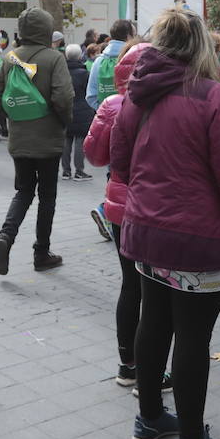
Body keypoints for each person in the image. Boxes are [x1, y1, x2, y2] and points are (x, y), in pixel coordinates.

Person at [110, 8, 220, 439]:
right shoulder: (212, 96)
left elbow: (121, 161)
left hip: (146, 230)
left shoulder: (138, 94)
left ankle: (150, 417)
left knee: (153, 321)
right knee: (192, 337)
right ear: (201, 47)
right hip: (197, 238)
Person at [84, 42, 149, 384]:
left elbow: (93, 155)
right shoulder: (169, 104)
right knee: (154, 293)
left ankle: (129, 365)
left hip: (120, 204)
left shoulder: (113, 105)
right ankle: (149, 373)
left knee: (131, 286)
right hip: (157, 207)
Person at [0, 7, 74, 275]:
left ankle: (6, 237)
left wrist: (15, 120)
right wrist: (64, 122)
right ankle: (41, 252)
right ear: (47, 30)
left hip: (20, 139)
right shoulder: (54, 58)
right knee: (47, 197)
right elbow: (63, 97)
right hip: (48, 140)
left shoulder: (9, 58)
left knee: (24, 191)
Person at [86, 19, 136, 111]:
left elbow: (91, 96)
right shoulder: (135, 59)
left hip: (105, 116)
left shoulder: (98, 61)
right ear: (129, 36)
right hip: (130, 117)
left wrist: (104, 111)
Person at [61, 44, 93, 180]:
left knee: (66, 139)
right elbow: (89, 92)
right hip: (82, 110)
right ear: (80, 56)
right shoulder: (84, 73)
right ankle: (79, 171)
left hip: (65, 108)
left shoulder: (61, 72)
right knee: (80, 140)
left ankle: (66, 171)